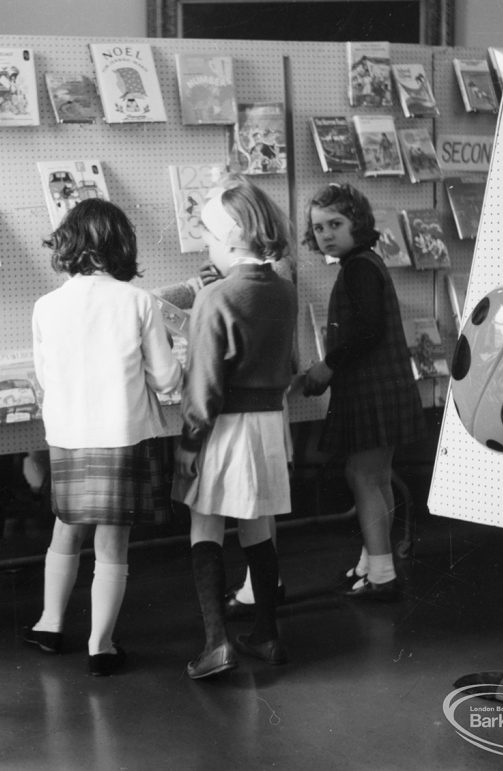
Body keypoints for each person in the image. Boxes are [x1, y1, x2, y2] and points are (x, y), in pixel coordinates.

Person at [24, 199, 182, 677]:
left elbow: (45, 379)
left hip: (69, 435)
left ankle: (49, 623)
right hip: (125, 435)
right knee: (113, 542)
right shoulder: (140, 301)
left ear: (68, 243)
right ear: (121, 245)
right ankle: (101, 644)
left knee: (65, 529)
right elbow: (165, 379)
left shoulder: (46, 306)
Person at [173, 177, 298, 680]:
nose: (206, 245)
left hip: (222, 428)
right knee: (259, 529)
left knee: (205, 525)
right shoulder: (285, 291)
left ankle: (216, 643)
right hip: (268, 425)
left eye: (208, 236)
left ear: (230, 237)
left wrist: (188, 443)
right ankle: (267, 634)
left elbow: (203, 386)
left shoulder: (215, 297)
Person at [300, 183, 425, 601]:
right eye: (318, 228)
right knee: (375, 477)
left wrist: (327, 365)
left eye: (335, 224)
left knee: (363, 476)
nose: (326, 234)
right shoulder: (363, 262)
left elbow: (368, 330)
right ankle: (374, 563)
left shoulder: (358, 268)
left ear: (359, 223)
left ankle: (383, 576)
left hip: (371, 388)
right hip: (382, 386)